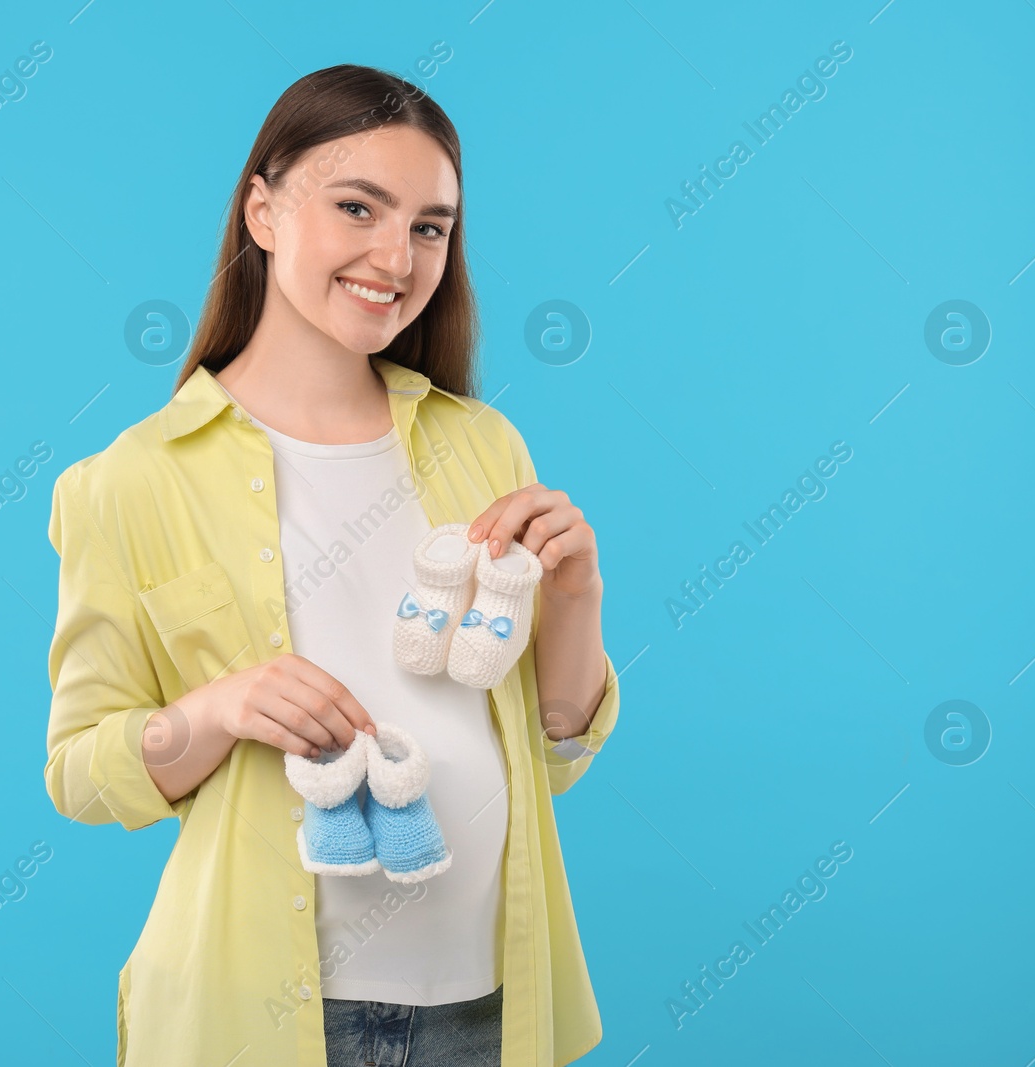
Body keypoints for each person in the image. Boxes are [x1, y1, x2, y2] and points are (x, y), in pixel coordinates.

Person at [43, 63, 623, 1067]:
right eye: (358, 206)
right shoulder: (129, 481)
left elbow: (554, 750)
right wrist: (221, 707)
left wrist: (577, 600)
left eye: (431, 226)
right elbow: (81, 772)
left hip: (487, 1010)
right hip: (258, 1022)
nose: (396, 256)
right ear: (262, 211)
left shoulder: (482, 444)